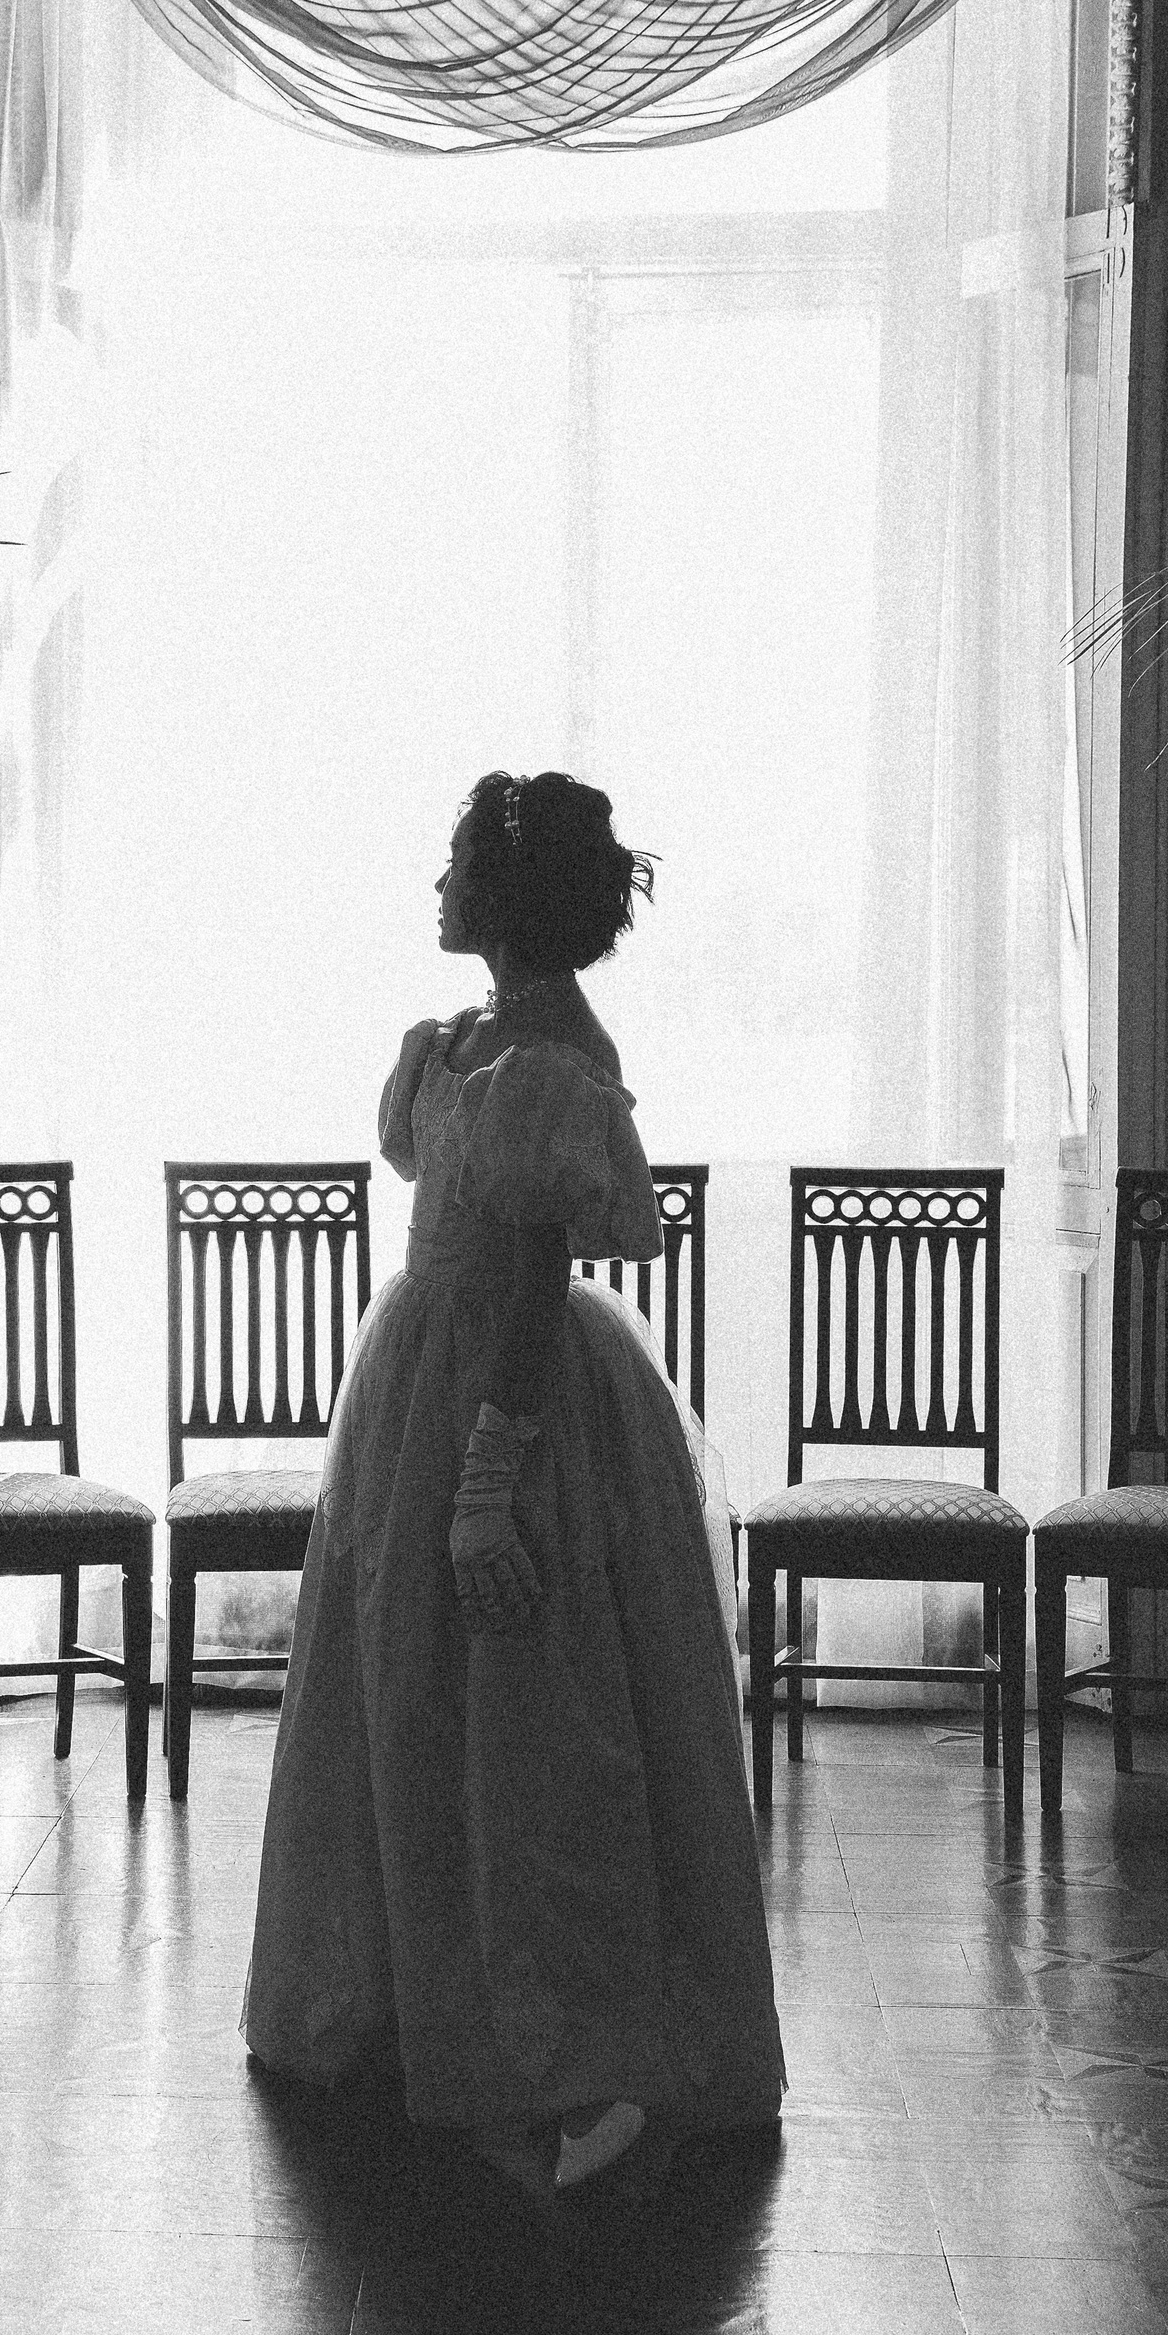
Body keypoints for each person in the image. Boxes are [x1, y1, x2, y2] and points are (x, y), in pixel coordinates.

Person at [243, 770, 783, 2186]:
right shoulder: (467, 1037)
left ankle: (579, 2054)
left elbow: (536, 1287)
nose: (437, 887)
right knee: (418, 1696)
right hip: (423, 1372)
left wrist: (490, 1480)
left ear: (503, 893)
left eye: (454, 866)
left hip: (508, 1393)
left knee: (539, 1725)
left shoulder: (550, 1056)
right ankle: (423, 2003)